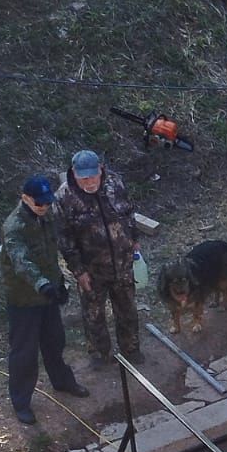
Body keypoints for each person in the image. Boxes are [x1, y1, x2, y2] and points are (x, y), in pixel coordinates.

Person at [1, 174, 91, 426]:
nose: (44, 207)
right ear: (25, 199)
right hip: (24, 300)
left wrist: (59, 284)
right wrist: (43, 285)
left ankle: (62, 381)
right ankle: (21, 402)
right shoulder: (14, 227)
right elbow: (22, 262)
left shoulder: (47, 217)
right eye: (39, 203)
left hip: (48, 292)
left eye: (46, 202)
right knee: (24, 353)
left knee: (55, 341)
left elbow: (52, 252)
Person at [55, 148, 142, 368]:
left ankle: (131, 350)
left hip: (122, 263)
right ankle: (101, 356)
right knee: (94, 315)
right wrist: (79, 271)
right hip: (91, 270)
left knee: (128, 309)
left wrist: (134, 238)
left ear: (101, 169)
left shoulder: (115, 183)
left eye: (93, 175)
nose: (89, 181)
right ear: (74, 173)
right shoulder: (64, 197)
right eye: (83, 177)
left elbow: (129, 211)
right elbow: (64, 239)